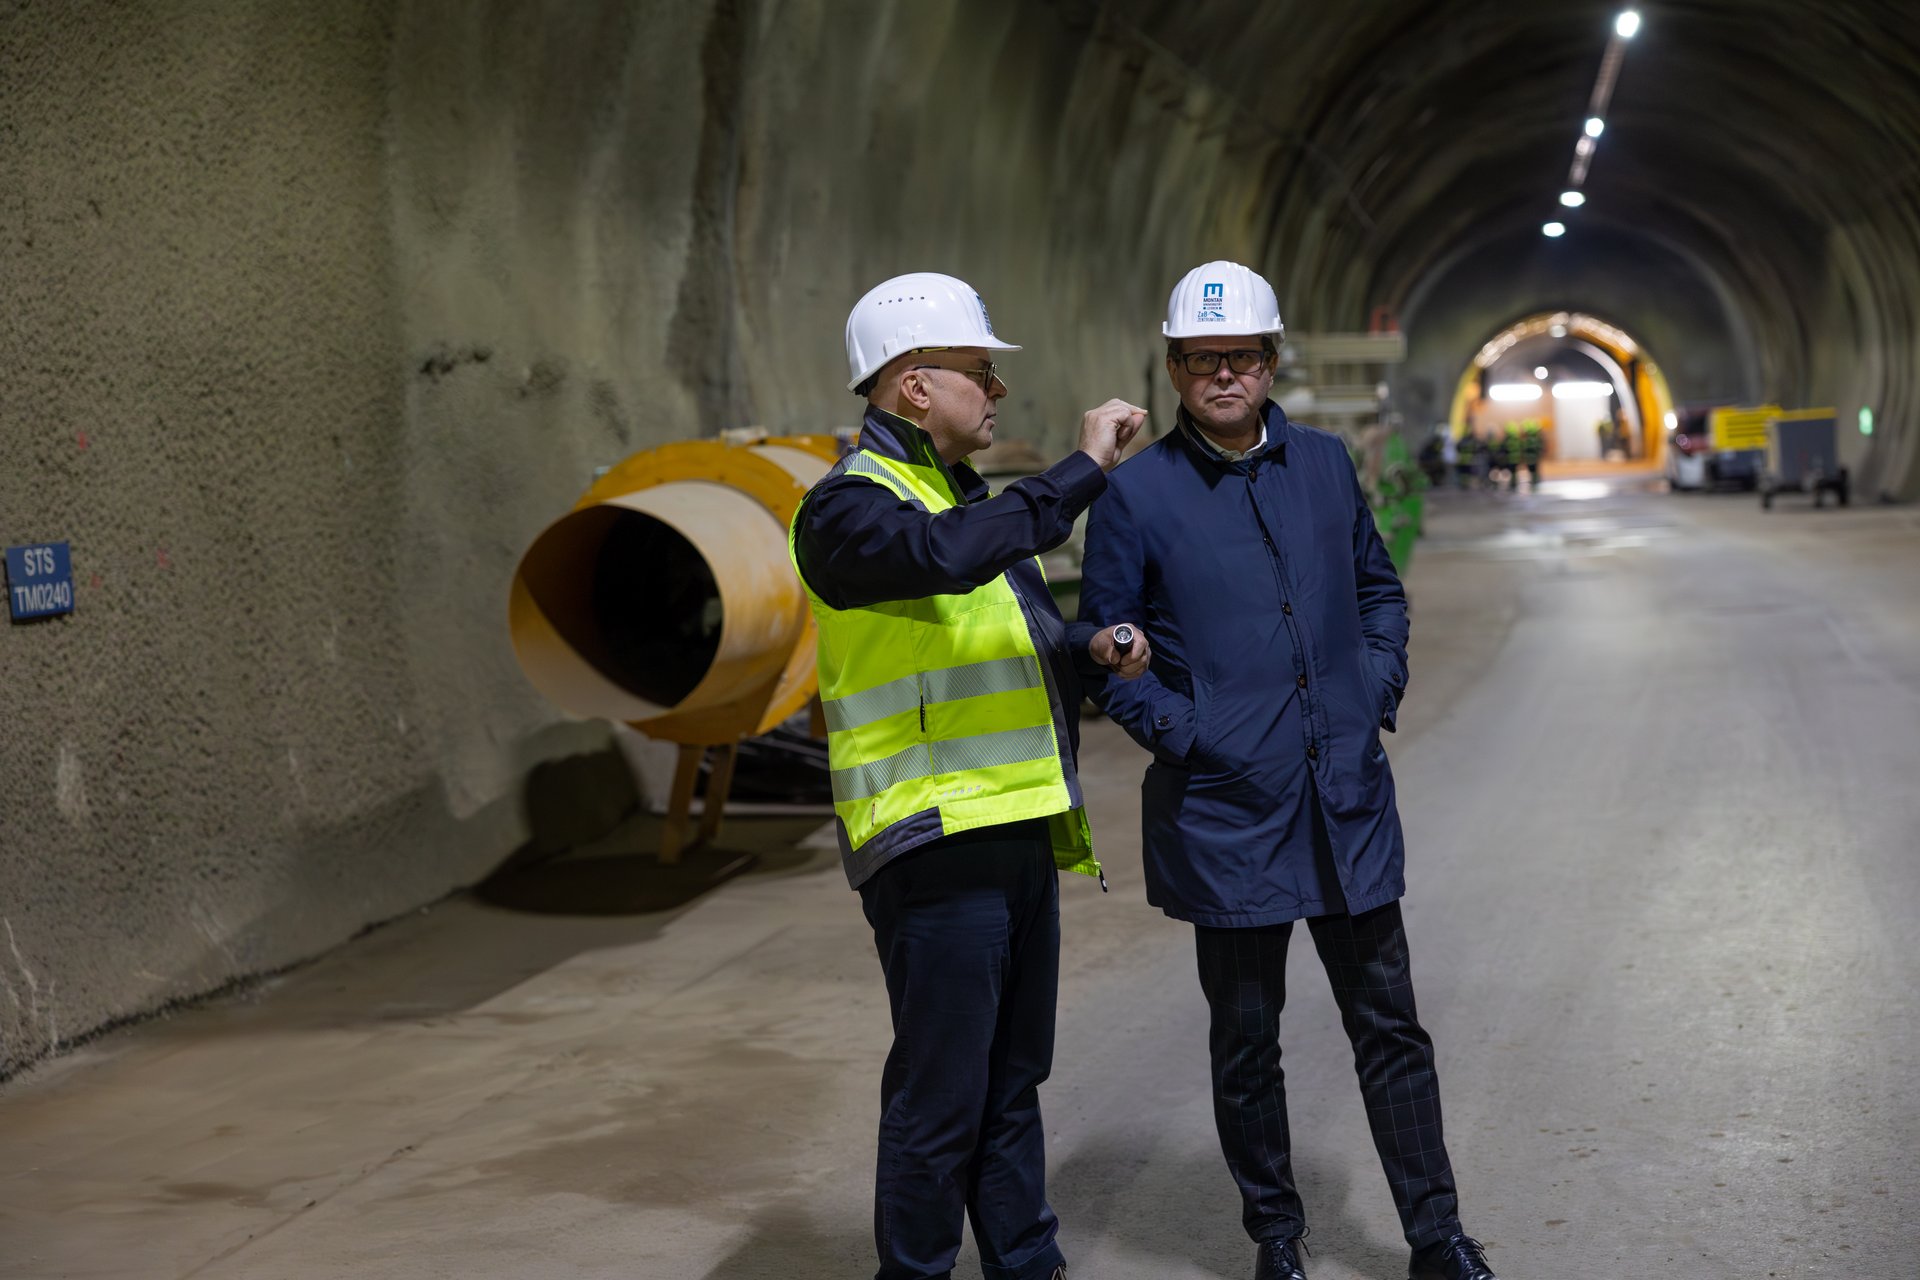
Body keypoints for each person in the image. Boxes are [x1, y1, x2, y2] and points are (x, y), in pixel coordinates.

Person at [1078, 260, 1498, 1280]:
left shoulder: (1322, 466)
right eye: (1200, 358)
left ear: (1271, 362)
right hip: (1226, 814)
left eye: (1241, 356)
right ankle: (1276, 1236)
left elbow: (1376, 587)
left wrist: (1374, 688)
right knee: (1246, 1039)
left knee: (1390, 1026)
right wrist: (1192, 735)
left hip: (1343, 799)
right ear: (1174, 367)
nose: (1222, 373)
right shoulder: (1135, 496)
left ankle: (1435, 1234)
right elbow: (1105, 645)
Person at [789, 271, 1150, 1280]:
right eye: (979, 375)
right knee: (942, 1090)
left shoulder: (962, 499)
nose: (996, 394)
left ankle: (1028, 1263)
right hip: (931, 837)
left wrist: (1089, 647)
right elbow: (945, 561)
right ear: (912, 384)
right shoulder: (848, 510)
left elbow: (1001, 636)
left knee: (1009, 1077)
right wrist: (1080, 468)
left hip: (1016, 825)